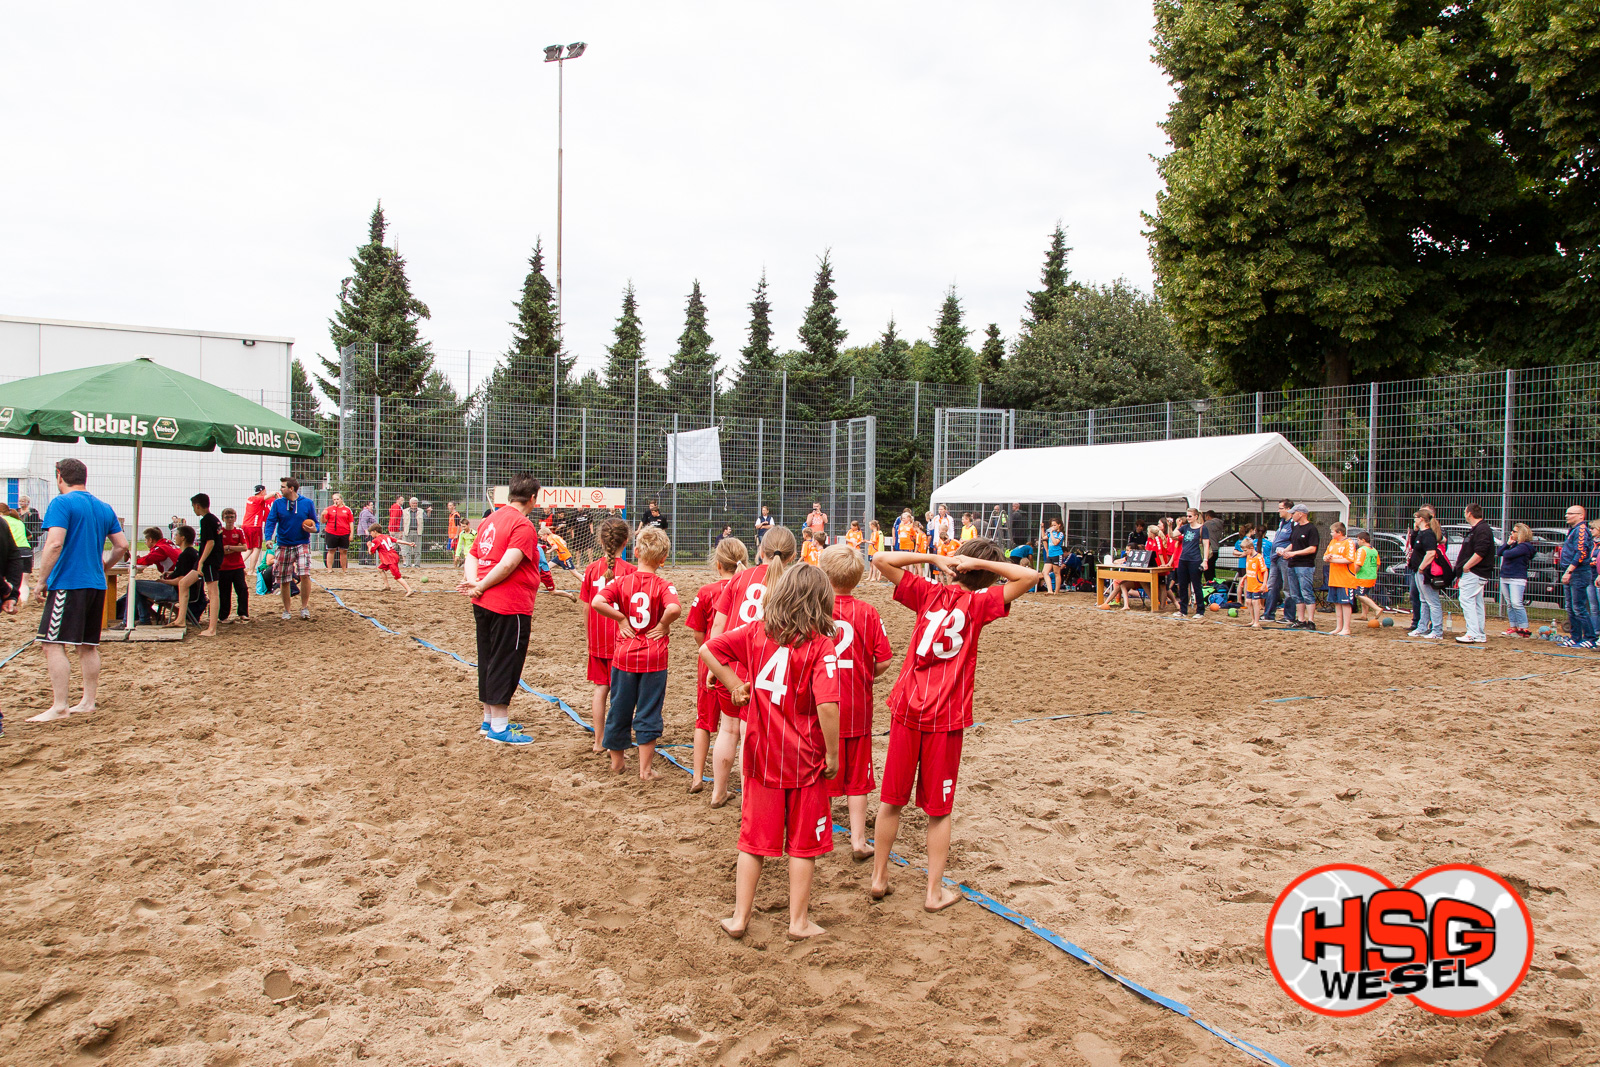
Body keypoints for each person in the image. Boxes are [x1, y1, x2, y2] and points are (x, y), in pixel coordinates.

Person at [869, 537, 1041, 912]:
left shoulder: (929, 593)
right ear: (986, 576)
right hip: (945, 716)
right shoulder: (981, 603)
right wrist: (985, 568)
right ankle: (933, 892)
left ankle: (879, 877)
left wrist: (935, 556)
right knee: (939, 811)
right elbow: (1030, 575)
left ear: (958, 567)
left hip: (906, 707)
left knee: (891, 802)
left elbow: (880, 558)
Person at [701, 563, 842, 941]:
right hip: (805, 760)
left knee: (752, 841)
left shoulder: (755, 632)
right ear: (821, 602)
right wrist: (833, 755)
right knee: (802, 845)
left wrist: (733, 683)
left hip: (761, 755)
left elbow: (708, 648)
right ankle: (798, 922)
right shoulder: (820, 645)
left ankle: (739, 917)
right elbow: (828, 705)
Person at [28, 458, 130, 723]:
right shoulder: (102, 506)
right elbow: (121, 545)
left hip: (68, 583)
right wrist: (104, 567)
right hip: (96, 584)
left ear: (59, 475)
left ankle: (60, 706)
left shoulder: (61, 503)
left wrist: (40, 581)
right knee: (87, 645)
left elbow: (54, 544)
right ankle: (87, 701)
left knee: (52, 644)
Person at [708, 525, 799, 807]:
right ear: (793, 556)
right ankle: (750, 800)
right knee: (751, 735)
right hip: (765, 669)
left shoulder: (739, 578)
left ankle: (718, 792)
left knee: (728, 729)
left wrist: (715, 665)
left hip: (731, 664)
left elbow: (719, 625)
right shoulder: (793, 583)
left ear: (760, 550)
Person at [818, 543, 893, 860]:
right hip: (857, 707)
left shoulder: (814, 610)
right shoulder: (868, 612)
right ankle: (859, 840)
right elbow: (885, 660)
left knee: (820, 770)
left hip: (821, 707)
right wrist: (866, 673)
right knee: (858, 780)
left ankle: (816, 833)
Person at [460, 473, 544, 744]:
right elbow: (508, 565)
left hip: (483, 602)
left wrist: (475, 583)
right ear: (532, 498)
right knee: (504, 662)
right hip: (509, 604)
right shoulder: (523, 525)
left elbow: (472, 554)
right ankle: (498, 727)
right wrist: (480, 585)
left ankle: (489, 720)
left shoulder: (490, 519)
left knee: (487, 658)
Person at [592, 526, 680, 778]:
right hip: (654, 657)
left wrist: (620, 619)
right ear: (663, 559)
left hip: (625, 656)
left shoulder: (620, 581)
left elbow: (598, 602)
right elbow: (674, 608)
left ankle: (617, 763)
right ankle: (645, 769)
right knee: (649, 710)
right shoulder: (664, 584)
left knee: (619, 707)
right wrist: (663, 625)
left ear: (637, 551)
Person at [685, 537, 749, 793]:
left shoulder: (707, 592)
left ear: (718, 565)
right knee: (737, 727)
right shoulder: (749, 586)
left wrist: (709, 655)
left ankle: (698, 777)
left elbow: (698, 633)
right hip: (740, 664)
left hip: (713, 661)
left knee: (705, 722)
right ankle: (745, 790)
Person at [580, 519, 635, 753]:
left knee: (600, 688)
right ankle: (617, 741)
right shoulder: (631, 572)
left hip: (599, 638)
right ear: (627, 541)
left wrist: (588, 635)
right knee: (622, 693)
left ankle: (598, 741)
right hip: (623, 640)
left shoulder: (591, 569)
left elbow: (586, 607)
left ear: (601, 540)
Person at [262, 476, 319, 620]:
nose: (280, 489)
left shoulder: (307, 503)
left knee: (305, 574)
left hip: (302, 543)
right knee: (284, 578)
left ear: (291, 488)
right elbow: (271, 521)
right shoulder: (278, 503)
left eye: (282, 486)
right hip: (283, 544)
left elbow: (316, 524)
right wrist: (268, 538)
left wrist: (313, 529)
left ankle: (304, 607)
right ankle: (287, 610)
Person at [1455, 503, 1495, 644]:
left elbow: (1480, 552)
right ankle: (1478, 633)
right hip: (1476, 572)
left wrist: (1467, 566)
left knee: (1467, 600)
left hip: (1475, 572)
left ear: (1469, 513)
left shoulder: (1482, 530)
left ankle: (1472, 633)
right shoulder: (1478, 529)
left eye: (1465, 511)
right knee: (1476, 602)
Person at [1559, 504, 1595, 649]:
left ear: (1581, 516)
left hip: (1578, 573)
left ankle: (1590, 638)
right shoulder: (1573, 530)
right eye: (1567, 513)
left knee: (1579, 607)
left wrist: (1569, 571)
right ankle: (1575, 637)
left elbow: (1581, 553)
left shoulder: (1581, 530)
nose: (1567, 516)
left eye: (1571, 513)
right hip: (1573, 572)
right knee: (1571, 607)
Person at [1407, 510, 1446, 640]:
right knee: (1423, 600)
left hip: (1426, 572)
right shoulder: (1421, 533)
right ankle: (1422, 627)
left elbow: (1430, 553)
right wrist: (1415, 531)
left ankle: (1437, 630)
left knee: (1432, 601)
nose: (1414, 520)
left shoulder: (1428, 534)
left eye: (1416, 518)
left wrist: (1422, 567)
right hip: (1418, 570)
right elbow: (1414, 547)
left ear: (1422, 519)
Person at [1283, 505, 1321, 631]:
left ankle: (1311, 621)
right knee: (1295, 594)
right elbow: (1293, 543)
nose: (1292, 515)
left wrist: (1294, 553)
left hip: (1305, 565)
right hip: (1293, 564)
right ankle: (1300, 620)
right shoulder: (1295, 527)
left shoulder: (1311, 529)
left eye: (1294, 513)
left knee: (1306, 592)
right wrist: (1285, 551)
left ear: (1301, 514)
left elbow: (1312, 548)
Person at [191, 492, 223, 637]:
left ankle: (212, 628)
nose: (193, 509)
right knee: (213, 592)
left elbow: (210, 542)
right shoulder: (214, 519)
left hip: (210, 560)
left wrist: (201, 561)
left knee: (213, 593)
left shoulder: (206, 521)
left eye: (193, 506)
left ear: (198, 506)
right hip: (215, 559)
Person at [1171, 508, 1211, 619]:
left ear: (1196, 516)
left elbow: (1206, 544)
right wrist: (1175, 525)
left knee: (1196, 585)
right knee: (1183, 585)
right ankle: (1183, 610)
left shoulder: (1202, 528)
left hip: (1195, 559)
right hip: (1183, 559)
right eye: (1187, 516)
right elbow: (1172, 535)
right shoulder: (1185, 528)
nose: (1188, 518)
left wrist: (1205, 560)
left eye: (1190, 516)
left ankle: (1200, 610)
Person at [1496, 525, 1535, 637]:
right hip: (1506, 576)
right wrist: (1507, 544)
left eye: (1514, 531)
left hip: (1517, 578)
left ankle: (1524, 627)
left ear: (1521, 533)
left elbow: (1507, 554)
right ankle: (1513, 626)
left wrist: (1508, 548)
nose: (1511, 533)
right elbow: (1499, 552)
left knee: (1516, 603)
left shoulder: (1524, 547)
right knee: (1509, 604)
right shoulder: (1514, 545)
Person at [1322, 522, 1358, 636]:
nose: (1331, 534)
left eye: (1332, 532)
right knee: (1337, 603)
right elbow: (1325, 555)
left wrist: (1333, 560)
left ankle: (1346, 628)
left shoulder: (1349, 543)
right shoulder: (1333, 542)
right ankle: (1339, 627)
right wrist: (1326, 558)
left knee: (1345, 603)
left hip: (1345, 578)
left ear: (1339, 532)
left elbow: (1350, 559)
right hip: (1334, 578)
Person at [1262, 501, 1295, 624]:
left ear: (1288, 509)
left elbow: (1294, 540)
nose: (1278, 511)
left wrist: (1286, 551)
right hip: (1275, 558)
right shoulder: (1282, 523)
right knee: (1272, 586)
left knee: (1287, 587)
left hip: (1285, 558)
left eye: (1281, 508)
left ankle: (1289, 615)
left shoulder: (1292, 524)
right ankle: (1268, 613)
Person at [217, 507, 250, 623]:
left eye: (232, 517)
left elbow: (245, 547)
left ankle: (243, 613)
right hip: (224, 567)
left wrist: (230, 547)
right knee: (225, 592)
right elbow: (220, 550)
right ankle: (223, 616)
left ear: (235, 518)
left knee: (242, 589)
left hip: (238, 566)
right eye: (227, 517)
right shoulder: (220, 532)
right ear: (223, 518)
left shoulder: (239, 531)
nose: (230, 519)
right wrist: (236, 548)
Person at [0, 502, 32, 604]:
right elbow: (29, 535)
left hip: (13, 550)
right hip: (25, 550)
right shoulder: (18, 522)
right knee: (24, 581)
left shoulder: (4, 522)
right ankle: (23, 601)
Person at [368, 524, 414, 595]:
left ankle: (409, 590)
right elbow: (398, 541)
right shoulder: (386, 537)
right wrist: (409, 543)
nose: (370, 534)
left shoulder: (376, 540)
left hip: (389, 559)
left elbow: (371, 552)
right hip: (393, 556)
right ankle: (387, 585)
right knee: (380, 569)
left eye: (371, 532)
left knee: (397, 576)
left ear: (375, 531)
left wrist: (369, 546)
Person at [1351, 531, 1384, 622]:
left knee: (1358, 594)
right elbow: (1377, 564)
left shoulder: (1362, 550)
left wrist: (1352, 573)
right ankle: (1364, 615)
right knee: (1364, 594)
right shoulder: (1373, 550)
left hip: (1363, 576)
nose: (1357, 542)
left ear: (1363, 540)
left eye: (1358, 540)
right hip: (1371, 576)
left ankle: (1376, 608)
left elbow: (1358, 564)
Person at [242, 483, 274, 572]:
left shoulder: (250, 498)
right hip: (254, 526)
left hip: (246, 525)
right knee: (257, 548)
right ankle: (251, 570)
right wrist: (275, 493)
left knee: (249, 548)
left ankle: (238, 565)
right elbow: (269, 496)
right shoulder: (258, 499)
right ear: (262, 491)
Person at [322, 493, 354, 571]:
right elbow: (323, 521)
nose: (336, 501)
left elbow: (351, 522)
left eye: (337, 499)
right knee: (331, 550)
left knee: (343, 551)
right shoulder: (329, 509)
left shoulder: (347, 509)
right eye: (334, 499)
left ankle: (344, 569)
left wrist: (351, 534)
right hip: (331, 532)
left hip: (344, 532)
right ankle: (329, 569)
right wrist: (322, 515)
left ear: (341, 499)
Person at [1242, 537, 1267, 627]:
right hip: (1250, 584)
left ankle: (1257, 621)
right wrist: (1244, 578)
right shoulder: (1249, 557)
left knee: (1255, 602)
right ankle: (1253, 620)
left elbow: (1265, 571)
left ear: (1251, 548)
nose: (1244, 553)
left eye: (1245, 550)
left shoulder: (1259, 557)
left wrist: (1264, 584)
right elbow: (1250, 570)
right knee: (1248, 601)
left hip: (1257, 584)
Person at [402, 497, 427, 567]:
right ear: (410, 503)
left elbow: (426, 520)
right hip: (408, 532)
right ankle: (408, 564)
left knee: (417, 550)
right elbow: (402, 522)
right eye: (413, 503)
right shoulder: (405, 511)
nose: (414, 505)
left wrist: (428, 512)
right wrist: (401, 531)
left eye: (416, 503)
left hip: (417, 532)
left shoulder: (421, 511)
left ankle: (417, 565)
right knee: (407, 550)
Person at [1042, 517, 1065, 594]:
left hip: (1057, 554)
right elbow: (1044, 538)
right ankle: (1050, 590)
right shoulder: (1050, 533)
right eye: (1052, 525)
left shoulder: (1060, 534)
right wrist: (1042, 529)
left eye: (1054, 525)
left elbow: (1055, 542)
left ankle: (1056, 591)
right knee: (1045, 572)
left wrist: (1051, 533)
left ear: (1059, 525)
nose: (1053, 527)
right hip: (1050, 554)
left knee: (1056, 573)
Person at [1201, 510, 1224, 583]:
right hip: (1216, 549)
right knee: (1212, 568)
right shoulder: (1220, 524)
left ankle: (1209, 583)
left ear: (1208, 516)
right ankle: (1213, 583)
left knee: (1207, 570)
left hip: (1209, 549)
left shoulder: (1207, 524)